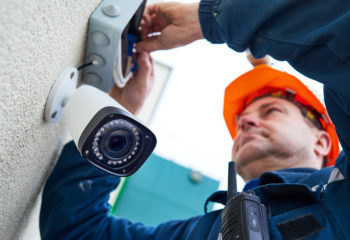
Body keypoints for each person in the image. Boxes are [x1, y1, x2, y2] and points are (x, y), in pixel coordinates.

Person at [40, 1, 350, 239]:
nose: (245, 123)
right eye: (241, 120)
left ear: (322, 140)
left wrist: (209, 18)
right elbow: (78, 231)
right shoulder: (209, 230)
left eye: (271, 111)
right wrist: (117, 119)